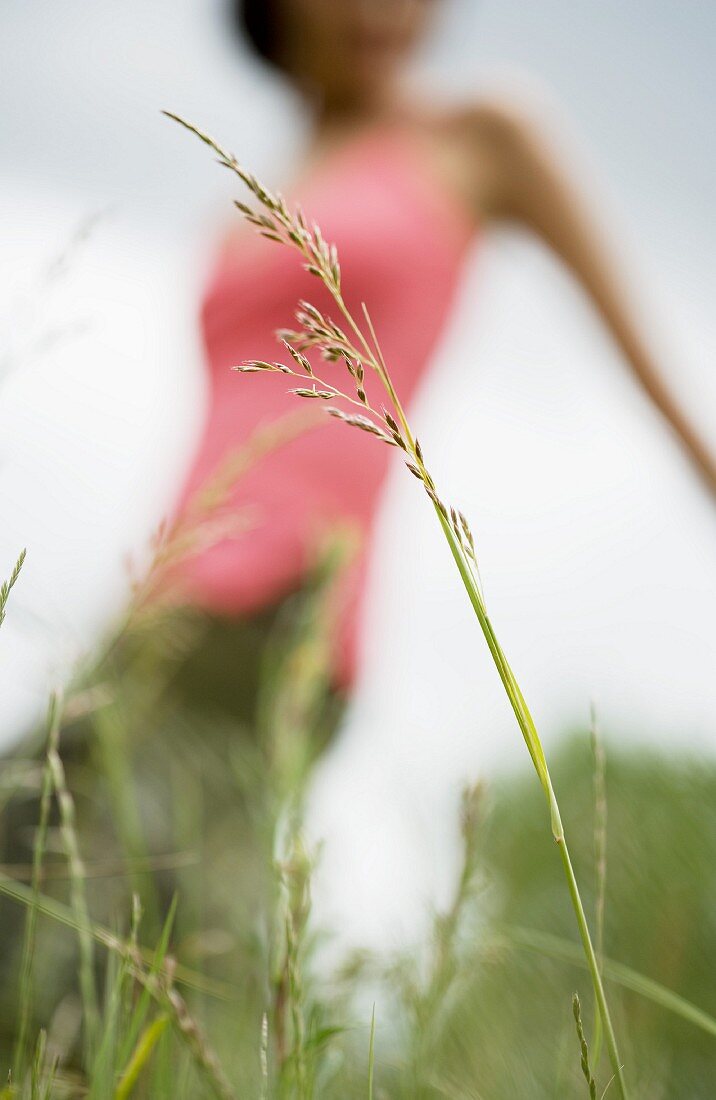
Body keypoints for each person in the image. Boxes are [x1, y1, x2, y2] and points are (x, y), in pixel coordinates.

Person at [168, 0, 716, 704]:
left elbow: (650, 367)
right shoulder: (264, 184)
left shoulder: (479, 138)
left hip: (285, 600)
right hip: (169, 591)